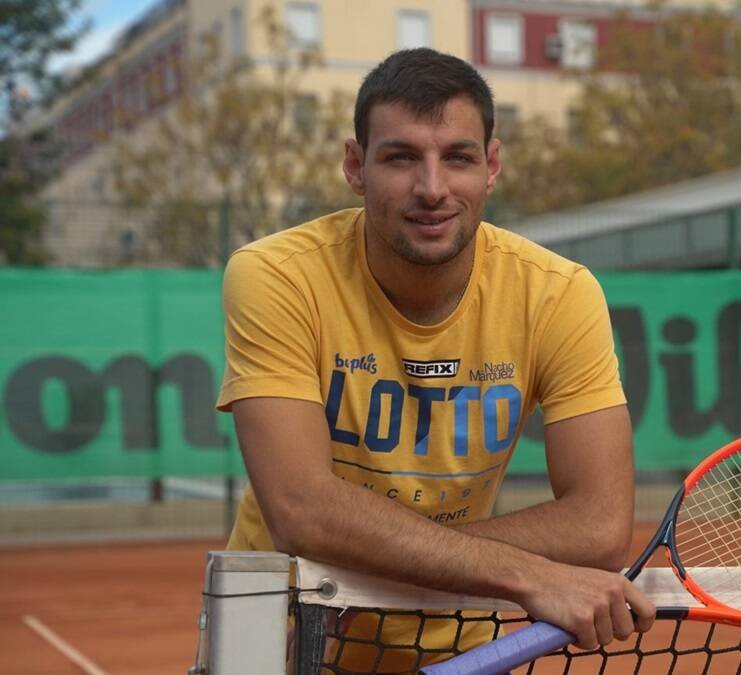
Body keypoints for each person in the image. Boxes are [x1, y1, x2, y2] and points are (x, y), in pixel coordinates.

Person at [216, 47, 655, 671]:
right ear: (355, 166)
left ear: (492, 166)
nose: (432, 188)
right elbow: (300, 509)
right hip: (288, 635)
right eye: (400, 158)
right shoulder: (275, 275)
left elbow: (602, 525)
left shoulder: (559, 292)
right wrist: (527, 574)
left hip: (453, 643)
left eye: (458, 157)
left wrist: (368, 549)